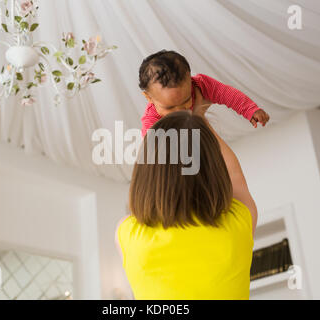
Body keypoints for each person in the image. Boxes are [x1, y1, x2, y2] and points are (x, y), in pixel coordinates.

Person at [115, 111, 258, 299]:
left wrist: (158, 140)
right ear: (214, 169)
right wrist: (199, 117)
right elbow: (235, 176)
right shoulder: (238, 224)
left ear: (147, 175)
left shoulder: (128, 233)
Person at [138, 50, 270, 137]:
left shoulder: (200, 84)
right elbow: (152, 150)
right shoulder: (152, 120)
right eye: (170, 108)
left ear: (190, 81)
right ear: (149, 98)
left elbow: (227, 94)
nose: (179, 112)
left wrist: (250, 110)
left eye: (186, 102)